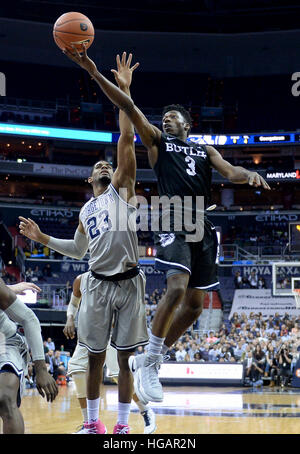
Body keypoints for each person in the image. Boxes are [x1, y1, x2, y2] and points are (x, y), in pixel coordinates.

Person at [62, 44, 270, 404]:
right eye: (165, 117)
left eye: (173, 117)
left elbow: (230, 171)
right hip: (173, 213)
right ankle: (150, 362)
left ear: (187, 124)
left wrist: (248, 174)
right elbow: (128, 110)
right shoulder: (157, 141)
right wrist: (99, 75)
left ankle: (150, 359)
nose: (166, 120)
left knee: (193, 306)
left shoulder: (204, 150)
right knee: (176, 287)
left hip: (203, 221)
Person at [19, 54, 148, 435]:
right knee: (93, 359)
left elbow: (127, 137)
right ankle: (93, 424)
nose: (104, 167)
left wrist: (124, 90)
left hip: (128, 282)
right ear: (89, 180)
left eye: (107, 165)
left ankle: (122, 426)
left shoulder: (123, 189)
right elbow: (78, 251)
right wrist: (42, 239)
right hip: (97, 282)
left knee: (122, 361)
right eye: (98, 167)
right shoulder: (85, 210)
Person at [63, 273, 156, 434]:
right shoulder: (81, 279)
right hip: (90, 333)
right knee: (76, 368)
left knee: (118, 374)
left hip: (113, 334)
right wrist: (70, 318)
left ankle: (145, 411)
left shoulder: (120, 278)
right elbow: (73, 303)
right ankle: (90, 424)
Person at [0, 278, 58, 433]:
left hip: (6, 344)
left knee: (4, 398)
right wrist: (11, 287)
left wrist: (41, 369)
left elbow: (28, 318)